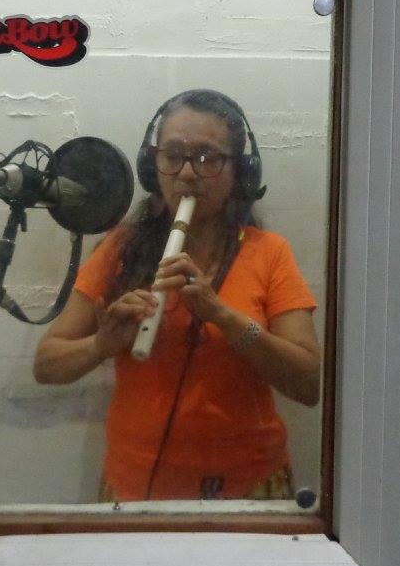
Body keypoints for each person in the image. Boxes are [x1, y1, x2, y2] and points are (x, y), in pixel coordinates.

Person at [33, 89, 320, 501]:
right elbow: (46, 365)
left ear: (240, 172)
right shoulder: (120, 248)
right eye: (172, 156)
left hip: (249, 486)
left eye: (207, 157)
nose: (187, 173)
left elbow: (308, 384)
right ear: (153, 167)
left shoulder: (269, 253)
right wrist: (101, 345)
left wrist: (223, 316)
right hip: (134, 487)